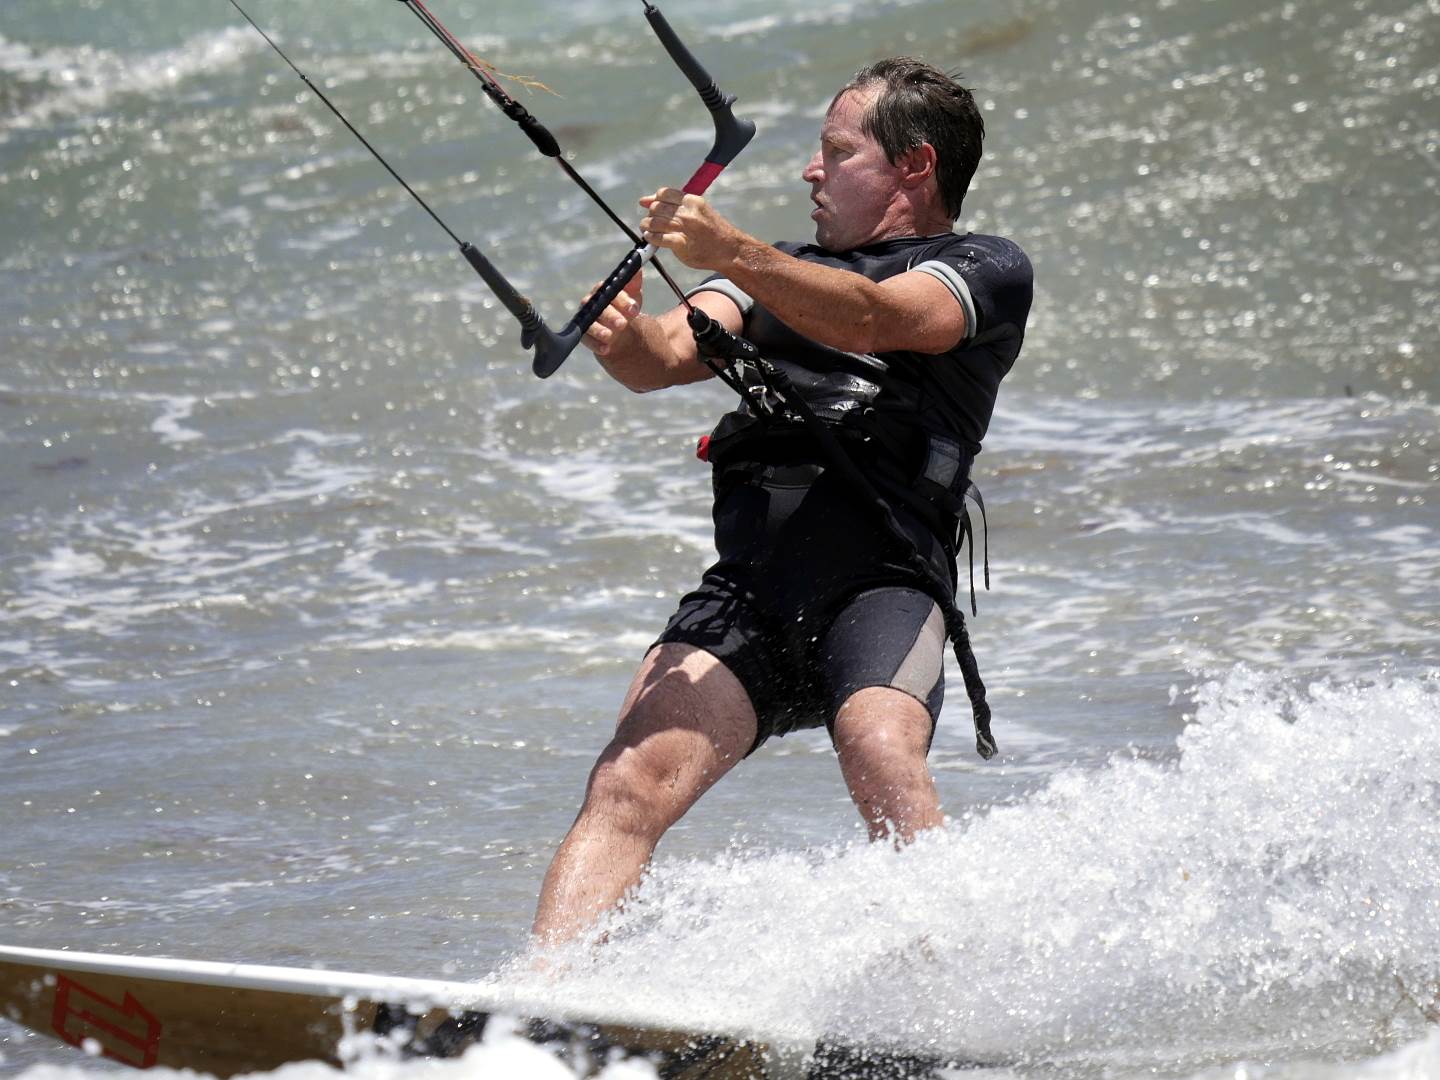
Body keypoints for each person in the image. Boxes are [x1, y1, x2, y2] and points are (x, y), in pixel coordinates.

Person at [531, 58, 1032, 945]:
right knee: (627, 781)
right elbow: (664, 358)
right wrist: (622, 338)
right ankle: (545, 998)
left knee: (880, 750)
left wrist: (733, 250)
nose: (811, 171)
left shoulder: (983, 268)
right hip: (750, 592)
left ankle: (951, 973)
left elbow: (874, 317)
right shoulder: (778, 270)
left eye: (837, 152)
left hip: (880, 588)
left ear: (915, 165)